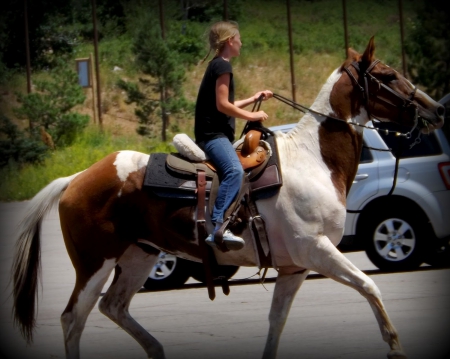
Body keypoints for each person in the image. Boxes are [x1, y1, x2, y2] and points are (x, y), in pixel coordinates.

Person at [194, 21, 273, 251]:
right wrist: (253, 113)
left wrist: (253, 97)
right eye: (239, 39)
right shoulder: (223, 67)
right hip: (213, 136)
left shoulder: (217, 65)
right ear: (230, 41)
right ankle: (219, 226)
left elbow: (227, 103)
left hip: (213, 134)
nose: (241, 43)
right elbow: (222, 106)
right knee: (234, 170)